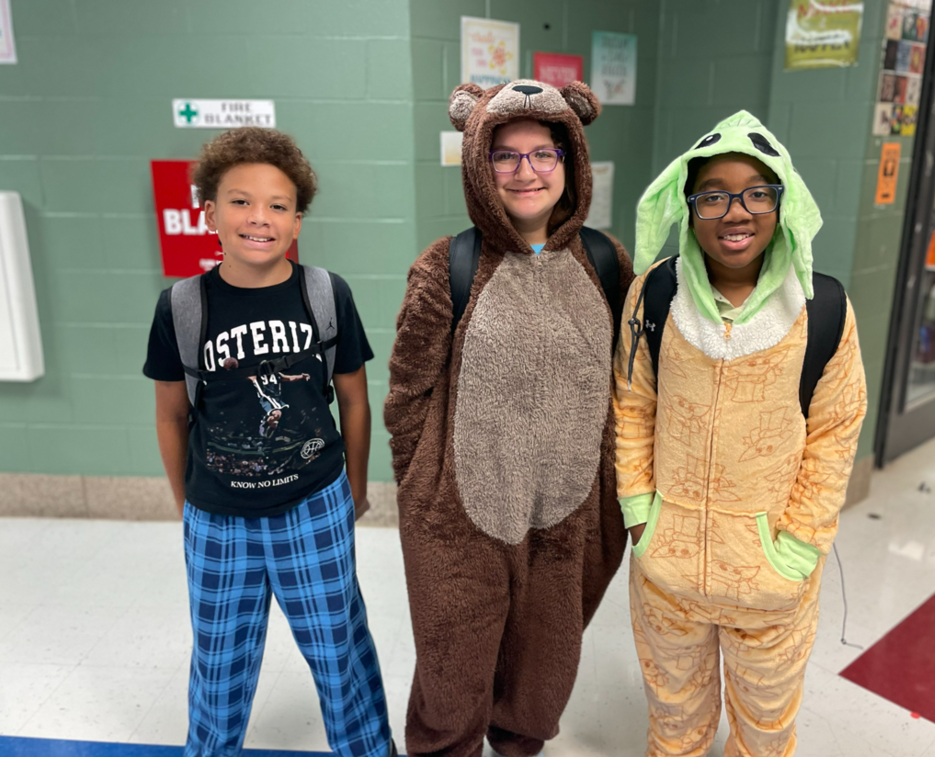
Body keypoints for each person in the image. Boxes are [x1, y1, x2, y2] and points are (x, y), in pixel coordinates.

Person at [384, 80, 631, 757]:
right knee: (452, 671)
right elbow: (407, 393)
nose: (526, 171)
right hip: (460, 513)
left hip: (568, 515)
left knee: (542, 676)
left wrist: (613, 494)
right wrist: (425, 486)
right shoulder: (448, 266)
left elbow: (627, 385)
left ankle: (520, 742)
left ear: (570, 159)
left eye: (543, 153)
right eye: (504, 155)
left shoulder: (607, 261)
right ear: (477, 164)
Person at [615, 111, 867, 756]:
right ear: (689, 205)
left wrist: (798, 547)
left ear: (784, 201)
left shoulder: (823, 307)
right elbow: (633, 402)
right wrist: (643, 515)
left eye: (758, 192)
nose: (737, 212)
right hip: (666, 575)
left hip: (771, 579)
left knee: (764, 731)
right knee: (674, 724)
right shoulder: (655, 293)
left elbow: (835, 431)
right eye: (714, 195)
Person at [143, 127, 393, 757]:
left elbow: (355, 400)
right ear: (209, 211)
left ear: (298, 219)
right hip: (218, 518)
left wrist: (354, 490)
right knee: (219, 662)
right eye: (241, 201)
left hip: (313, 506)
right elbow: (172, 417)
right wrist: (186, 504)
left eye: (278, 206)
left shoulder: (325, 294)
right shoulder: (181, 307)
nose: (260, 218)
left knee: (340, 649)